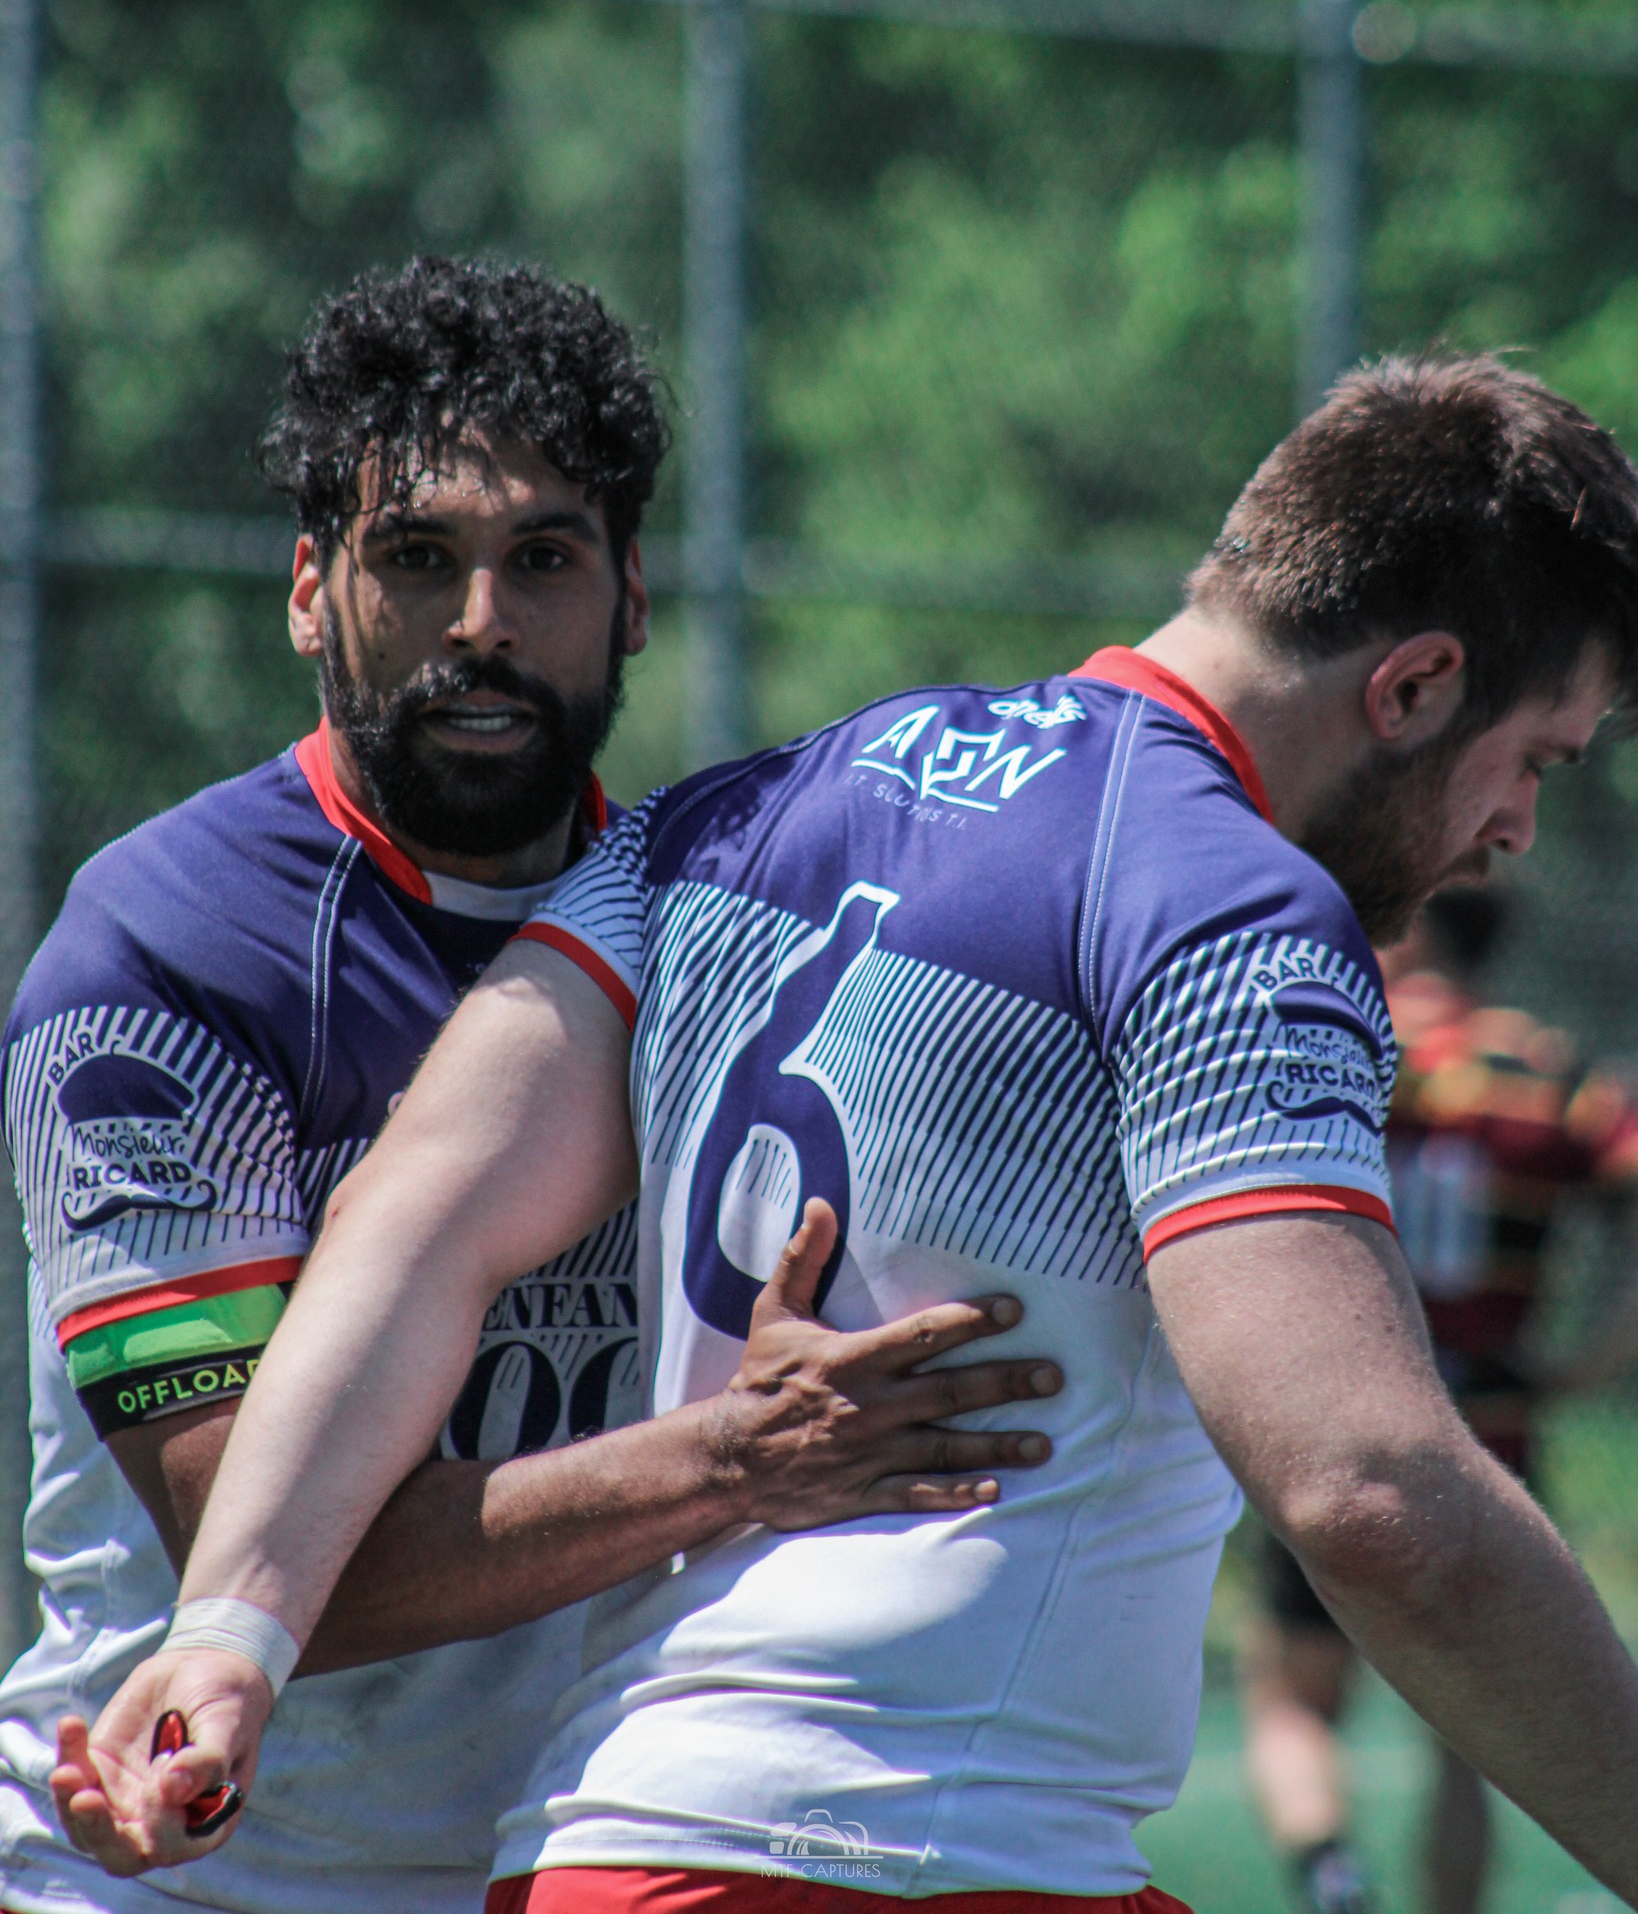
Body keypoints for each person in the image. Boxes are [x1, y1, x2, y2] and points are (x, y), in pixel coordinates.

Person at [60, 354, 1638, 1912]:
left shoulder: (731, 816)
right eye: (1534, 762)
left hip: (598, 1847)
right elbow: (1367, 1490)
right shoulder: (1226, 910)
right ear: (1415, 684)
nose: (1512, 833)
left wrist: (227, 1636)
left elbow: (420, 1213)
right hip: (921, 1861)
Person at [0, 256, 1056, 1914]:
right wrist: (735, 1455)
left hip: (566, 1858)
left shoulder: (725, 927)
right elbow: (265, 1554)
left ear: (630, 597)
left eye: (541, 559)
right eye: (416, 558)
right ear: (307, 590)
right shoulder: (167, 951)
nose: (480, 622)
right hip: (185, 1867)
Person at [1240, 883, 1638, 1914]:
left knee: (1290, 1695)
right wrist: (1585, 1360)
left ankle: (1333, 1878)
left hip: (1327, 1418)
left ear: (1407, 926)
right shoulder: (1550, 1074)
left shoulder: (1336, 1043)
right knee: (1468, 1736)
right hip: (1492, 1431)